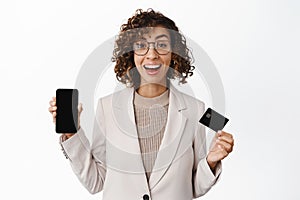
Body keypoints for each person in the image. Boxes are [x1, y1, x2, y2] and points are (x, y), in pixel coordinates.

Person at [48, 8, 234, 200]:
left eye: (161, 44)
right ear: (131, 54)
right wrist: (71, 132)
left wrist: (210, 162)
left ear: (173, 53)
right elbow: (96, 181)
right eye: (141, 45)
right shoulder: (107, 107)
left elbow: (193, 187)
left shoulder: (195, 109)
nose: (151, 55)